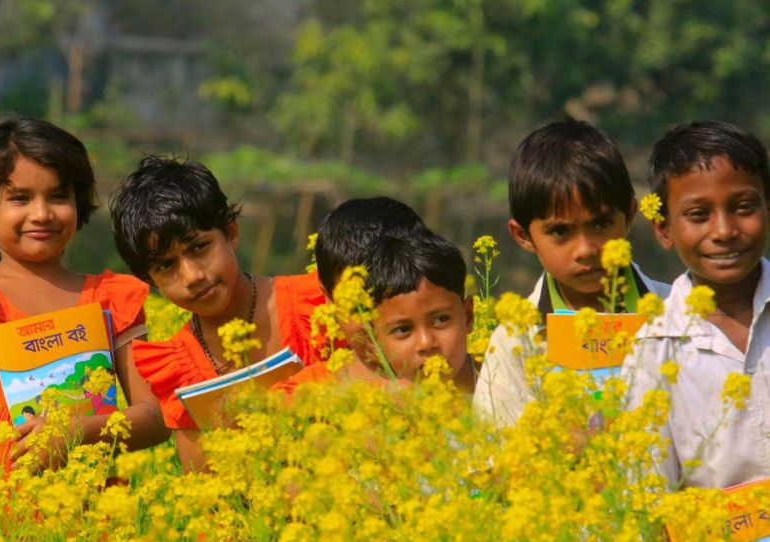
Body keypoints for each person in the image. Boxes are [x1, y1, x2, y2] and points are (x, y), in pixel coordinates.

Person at [0, 117, 169, 470]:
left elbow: (155, 417)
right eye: (20, 198)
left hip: (92, 516)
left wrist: (79, 431)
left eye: (59, 196)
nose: (42, 214)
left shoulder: (111, 299)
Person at [110, 155, 326, 471]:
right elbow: (204, 482)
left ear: (231, 233)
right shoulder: (177, 366)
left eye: (199, 247)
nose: (193, 275)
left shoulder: (313, 304)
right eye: (166, 266)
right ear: (150, 281)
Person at [473, 118, 670, 427]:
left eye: (601, 224)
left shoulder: (678, 313)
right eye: (561, 231)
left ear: (630, 215)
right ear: (522, 236)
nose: (586, 249)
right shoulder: (515, 340)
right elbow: (491, 460)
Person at [622, 120, 770, 489]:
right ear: (663, 230)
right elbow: (648, 497)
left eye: (743, 207)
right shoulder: (653, 352)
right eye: (698, 215)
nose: (723, 231)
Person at [276, 228, 475, 394]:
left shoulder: (499, 386)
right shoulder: (357, 410)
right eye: (403, 329)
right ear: (373, 341)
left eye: (441, 320)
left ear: (468, 317)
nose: (426, 343)